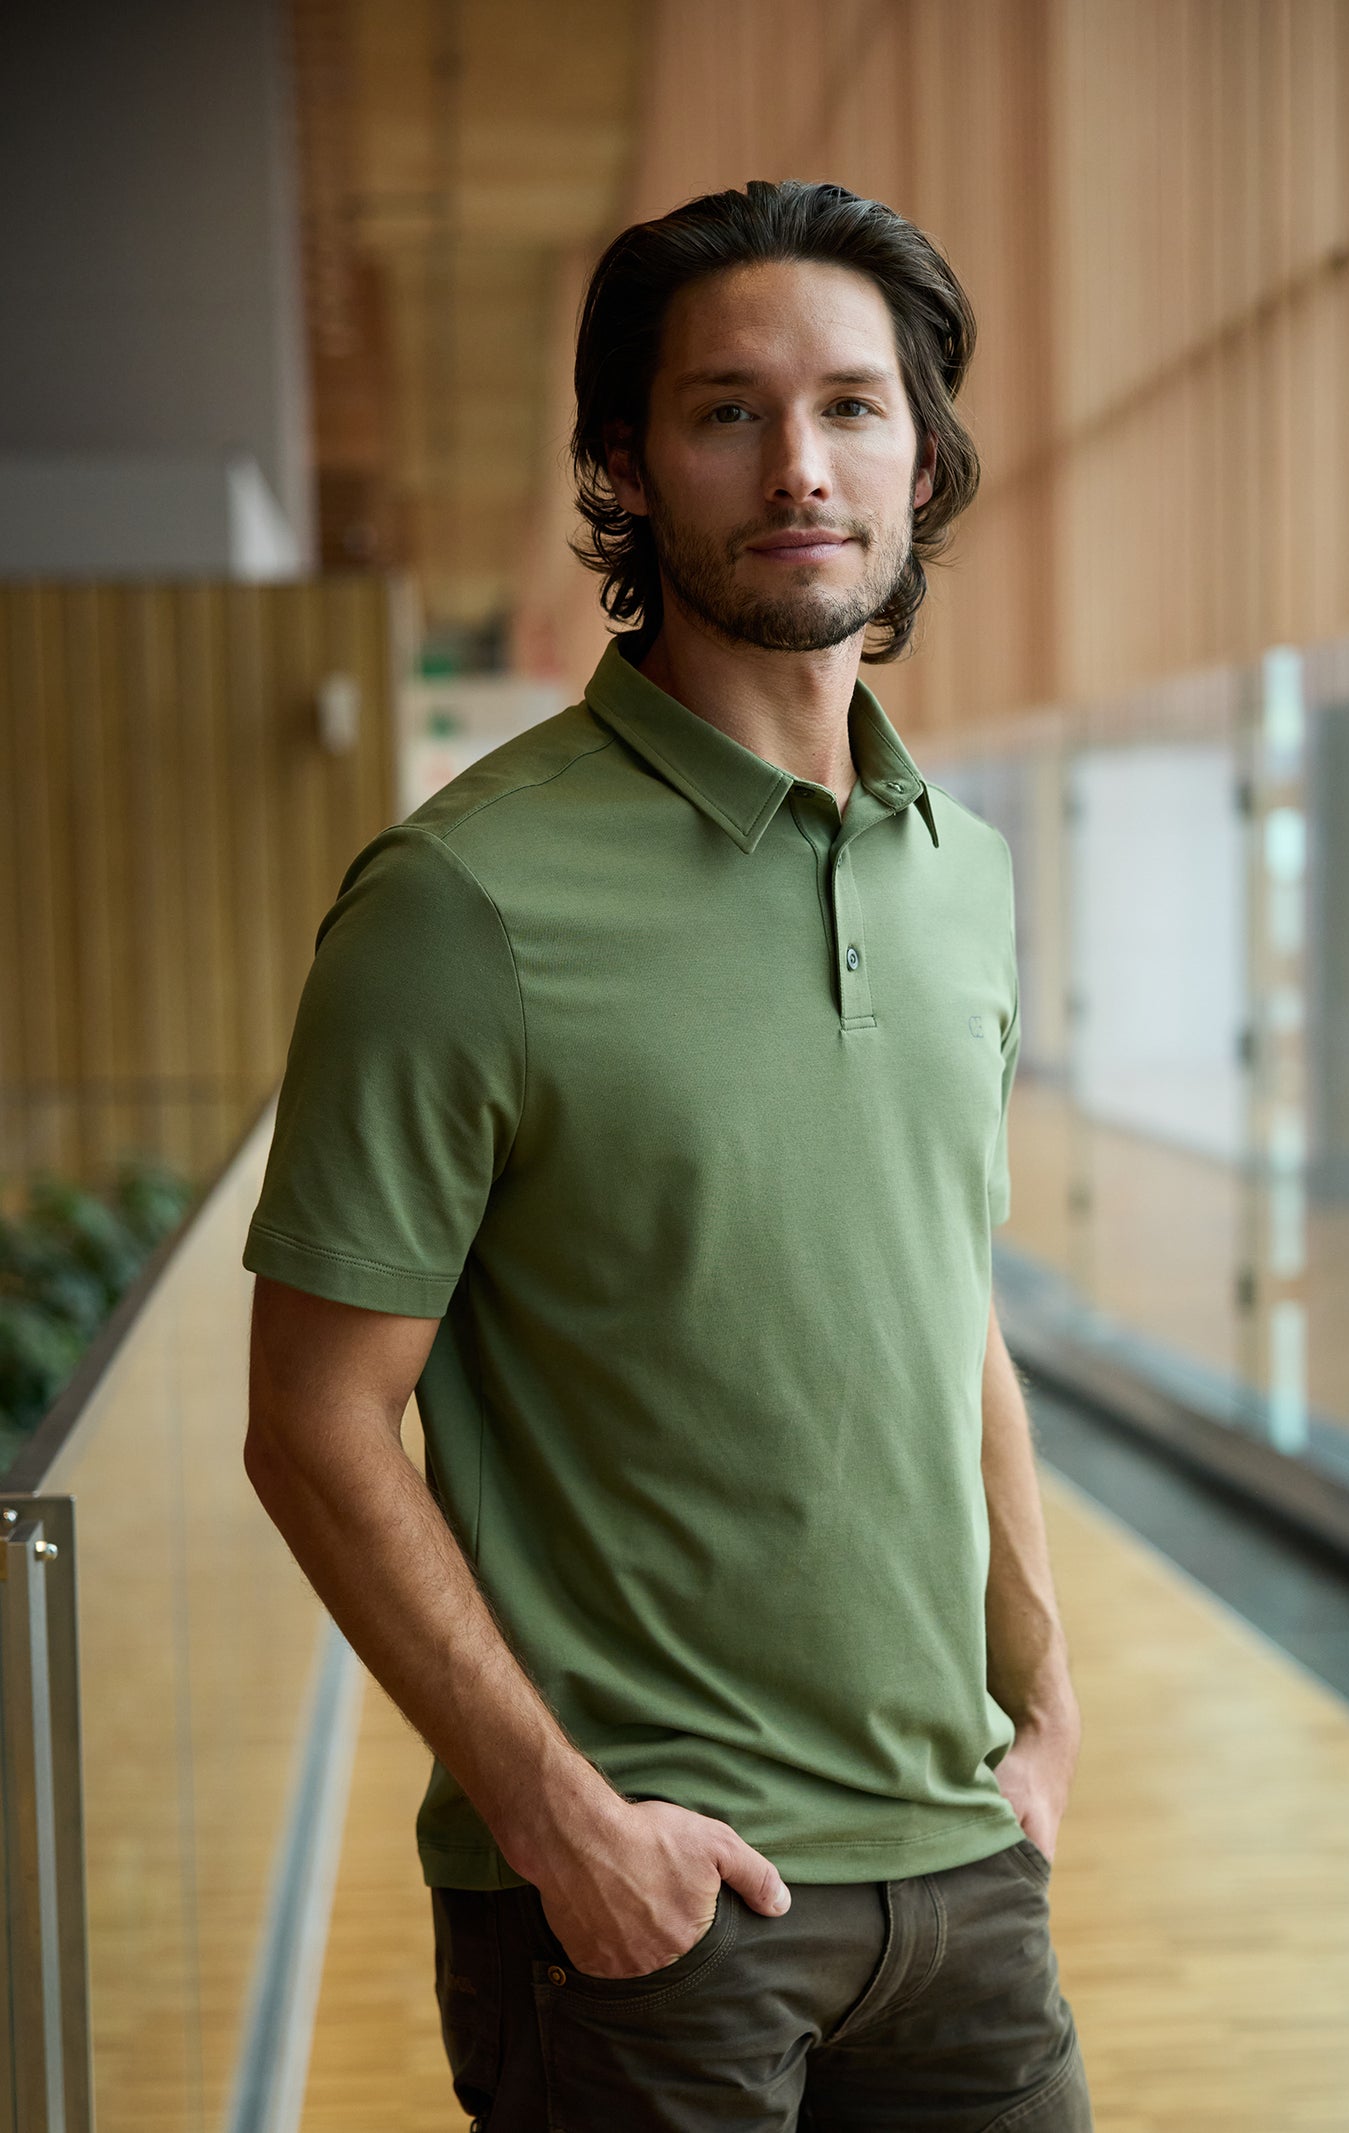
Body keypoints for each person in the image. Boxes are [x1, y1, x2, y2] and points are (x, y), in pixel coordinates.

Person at [242, 177, 1092, 2131]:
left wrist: (1036, 1696)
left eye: (851, 406)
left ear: (924, 453)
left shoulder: (961, 873)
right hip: (643, 1907)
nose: (798, 464)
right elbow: (310, 1419)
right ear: (625, 464)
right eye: (726, 412)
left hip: (960, 1865)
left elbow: (940, 1289)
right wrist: (562, 1822)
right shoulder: (461, 898)